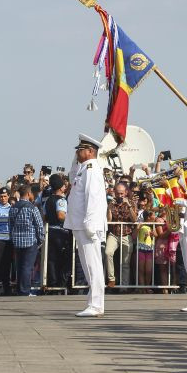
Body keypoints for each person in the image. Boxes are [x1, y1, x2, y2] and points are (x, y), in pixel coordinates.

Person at [64, 134, 108, 317]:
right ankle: (93, 302)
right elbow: (72, 175)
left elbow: (93, 197)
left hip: (88, 223)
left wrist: (90, 221)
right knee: (87, 264)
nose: (77, 153)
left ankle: (96, 305)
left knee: (93, 265)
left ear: (90, 152)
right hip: (80, 223)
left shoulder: (91, 169)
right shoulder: (83, 168)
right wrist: (76, 158)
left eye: (80, 150)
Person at [8, 183, 45, 296]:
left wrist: (12, 238)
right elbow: (39, 226)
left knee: (20, 267)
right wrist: (41, 240)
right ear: (29, 194)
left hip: (17, 241)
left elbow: (10, 225)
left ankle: (20, 289)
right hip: (30, 241)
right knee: (27, 267)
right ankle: (25, 291)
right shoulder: (32, 208)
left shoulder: (13, 207)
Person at [105, 182, 136, 288]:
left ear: (126, 192)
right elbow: (109, 220)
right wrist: (109, 208)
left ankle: (124, 286)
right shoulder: (111, 202)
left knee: (125, 262)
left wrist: (129, 206)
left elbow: (134, 219)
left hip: (126, 234)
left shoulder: (131, 202)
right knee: (108, 252)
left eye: (122, 193)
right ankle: (111, 279)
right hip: (114, 234)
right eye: (118, 193)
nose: (120, 196)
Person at [43, 174, 71, 290]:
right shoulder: (61, 201)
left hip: (50, 232)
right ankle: (61, 285)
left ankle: (52, 284)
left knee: (51, 259)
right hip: (60, 233)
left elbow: (44, 217)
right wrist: (71, 219)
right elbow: (61, 215)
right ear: (61, 188)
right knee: (63, 259)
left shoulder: (47, 200)